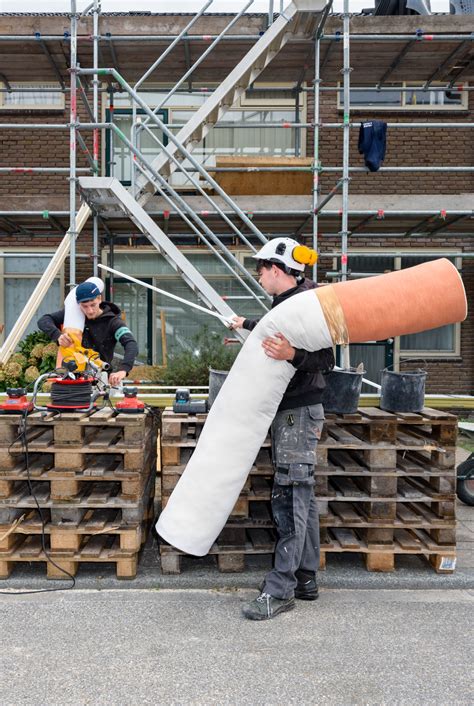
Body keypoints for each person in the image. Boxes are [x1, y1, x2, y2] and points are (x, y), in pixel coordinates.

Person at [231, 237, 335, 621]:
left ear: (277, 270)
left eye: (261, 269)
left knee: (289, 494)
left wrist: (291, 355)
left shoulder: (306, 303)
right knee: (301, 492)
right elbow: (282, 331)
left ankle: (281, 588)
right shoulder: (292, 302)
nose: (259, 275)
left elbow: (326, 358)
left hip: (297, 412)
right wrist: (247, 327)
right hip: (295, 409)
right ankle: (305, 577)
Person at [38, 280, 138, 387]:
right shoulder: (75, 315)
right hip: (72, 376)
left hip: (100, 379)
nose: (89, 311)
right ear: (78, 304)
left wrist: (123, 370)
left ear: (99, 299)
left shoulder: (113, 322)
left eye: (93, 305)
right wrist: (57, 335)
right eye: (84, 306)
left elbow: (131, 344)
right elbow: (44, 320)